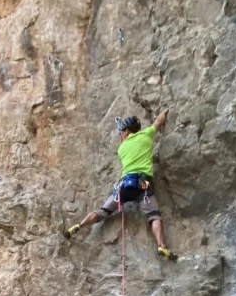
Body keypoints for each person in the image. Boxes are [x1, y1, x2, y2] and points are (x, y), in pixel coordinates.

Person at [64, 110, 177, 260]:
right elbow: (158, 122)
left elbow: (125, 145)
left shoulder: (121, 149)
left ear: (126, 131)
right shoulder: (146, 135)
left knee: (102, 211)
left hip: (124, 186)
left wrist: (123, 138)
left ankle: (79, 226)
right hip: (142, 185)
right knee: (154, 216)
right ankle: (162, 246)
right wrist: (165, 112)